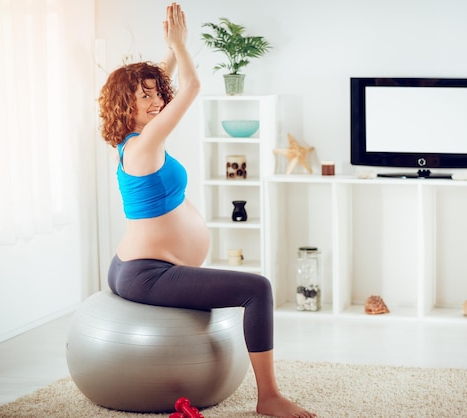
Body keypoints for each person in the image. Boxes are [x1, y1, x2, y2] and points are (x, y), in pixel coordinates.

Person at [97, 3, 316, 418]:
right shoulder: (144, 144)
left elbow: (165, 87)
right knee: (258, 289)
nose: (154, 100)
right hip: (148, 273)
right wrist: (180, 46)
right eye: (141, 96)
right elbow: (192, 88)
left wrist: (165, 57)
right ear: (125, 105)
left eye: (154, 92)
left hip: (132, 265)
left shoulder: (129, 139)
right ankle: (268, 397)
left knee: (252, 288)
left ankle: (268, 393)